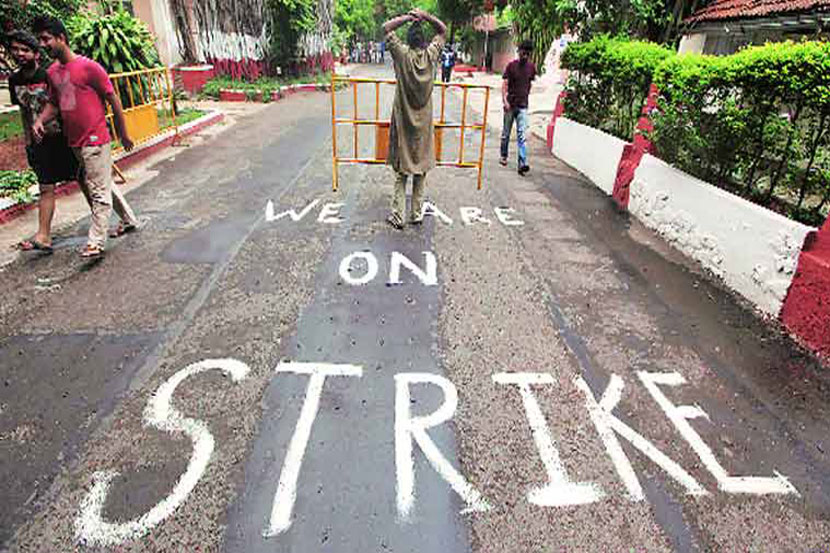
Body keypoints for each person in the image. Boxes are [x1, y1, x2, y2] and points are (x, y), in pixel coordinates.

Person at [32, 16, 139, 258]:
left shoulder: (89, 68)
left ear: (62, 38)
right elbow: (54, 103)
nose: (43, 44)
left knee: (98, 191)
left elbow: (112, 98)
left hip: (95, 139)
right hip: (74, 141)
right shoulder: (52, 72)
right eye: (40, 40)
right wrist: (40, 120)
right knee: (99, 183)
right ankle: (129, 220)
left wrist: (123, 133)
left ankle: (96, 241)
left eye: (46, 39)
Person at [7, 30, 78, 254]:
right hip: (39, 142)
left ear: (36, 54)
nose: (19, 54)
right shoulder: (14, 80)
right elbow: (24, 111)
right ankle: (43, 235)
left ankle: (107, 221)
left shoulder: (50, 74)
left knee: (84, 181)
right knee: (46, 187)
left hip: (62, 137)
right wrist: (28, 141)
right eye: (16, 50)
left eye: (25, 50)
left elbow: (67, 103)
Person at [382, 8, 446, 229]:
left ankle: (398, 215)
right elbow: (443, 30)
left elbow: (386, 28)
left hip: (403, 122)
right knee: (421, 169)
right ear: (424, 41)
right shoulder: (431, 56)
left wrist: (408, 18)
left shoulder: (401, 55)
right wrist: (426, 16)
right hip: (424, 124)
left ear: (408, 40)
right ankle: (416, 213)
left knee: (401, 171)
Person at [500, 39, 536, 176]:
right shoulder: (511, 66)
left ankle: (522, 162)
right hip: (510, 105)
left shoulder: (531, 68)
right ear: (519, 51)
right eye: (523, 52)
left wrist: (526, 96)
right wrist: (505, 101)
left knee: (522, 135)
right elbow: (504, 84)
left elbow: (529, 84)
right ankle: (503, 155)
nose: (525, 55)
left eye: (528, 53)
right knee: (506, 134)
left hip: (523, 106)